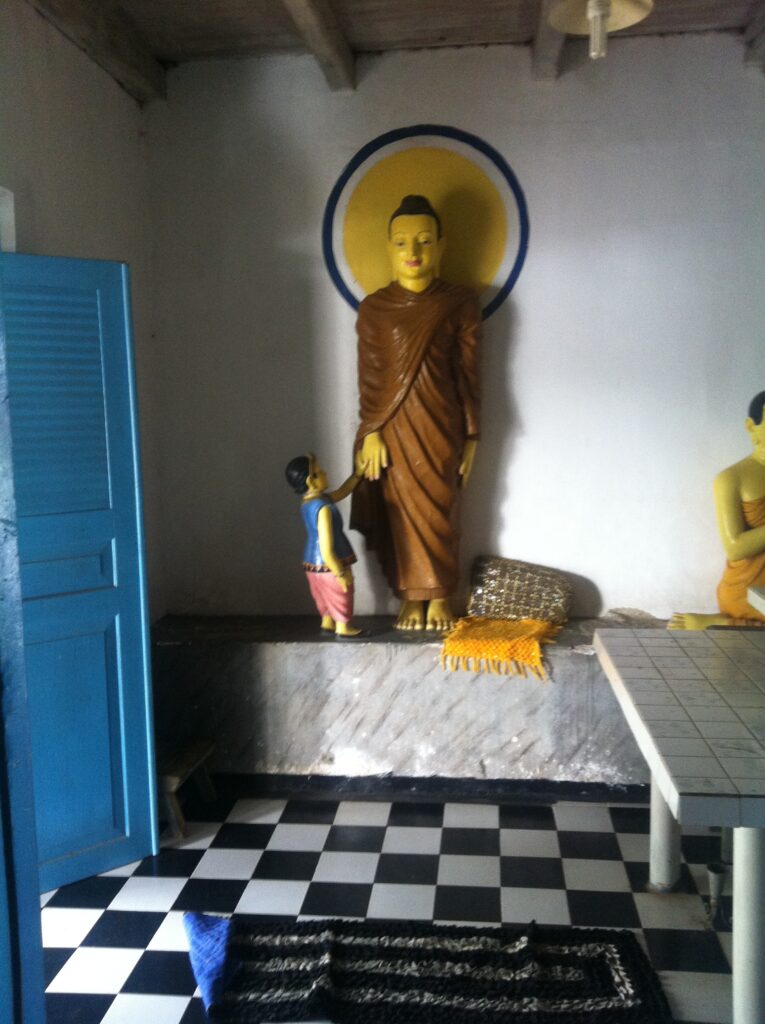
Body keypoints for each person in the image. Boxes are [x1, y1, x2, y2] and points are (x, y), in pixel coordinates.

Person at [351, 195, 481, 632]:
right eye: (403, 242)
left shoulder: (459, 303)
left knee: (442, 508)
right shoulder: (374, 309)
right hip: (392, 427)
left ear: (441, 247)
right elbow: (369, 376)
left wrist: (473, 436)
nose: (414, 251)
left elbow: (468, 373)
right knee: (400, 512)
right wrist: (370, 431)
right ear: (388, 247)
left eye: (425, 241)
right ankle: (410, 597)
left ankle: (441, 593)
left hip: (441, 422)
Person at [670, 390, 765, 629]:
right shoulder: (732, 479)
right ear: (751, 427)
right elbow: (735, 547)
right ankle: (722, 622)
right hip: (751, 585)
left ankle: (726, 624)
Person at [285, 453, 363, 637]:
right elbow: (327, 549)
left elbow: (342, 492)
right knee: (341, 592)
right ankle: (343, 626)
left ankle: (327, 621)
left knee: (321, 593)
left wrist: (358, 474)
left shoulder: (309, 502)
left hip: (311, 561)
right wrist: (340, 573)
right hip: (330, 561)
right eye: (320, 472)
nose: (325, 473)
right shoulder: (324, 508)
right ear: (311, 481)